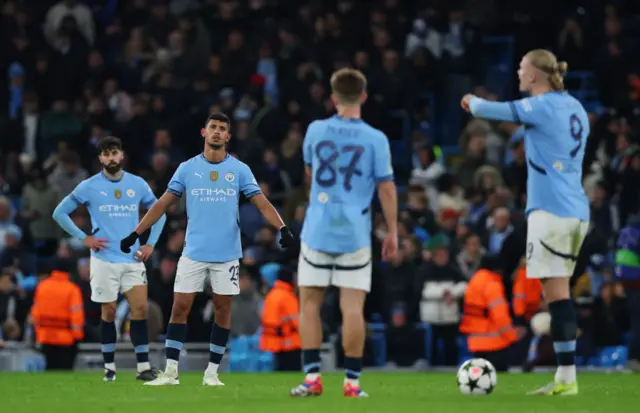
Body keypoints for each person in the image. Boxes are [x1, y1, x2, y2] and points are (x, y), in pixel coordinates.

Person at [121, 112, 294, 386]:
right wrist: (136, 232)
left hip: (227, 254)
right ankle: (171, 372)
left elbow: (261, 202)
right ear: (204, 132)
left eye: (222, 128)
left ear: (228, 137)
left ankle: (212, 373)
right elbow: (162, 203)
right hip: (193, 253)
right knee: (180, 308)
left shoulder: (239, 169)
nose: (216, 132)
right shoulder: (187, 168)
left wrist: (282, 227)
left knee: (223, 310)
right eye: (212, 127)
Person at [461, 49, 590, 395]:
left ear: (534, 74)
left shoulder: (543, 105)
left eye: (521, 68)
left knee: (557, 296)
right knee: (558, 293)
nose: (518, 74)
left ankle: (567, 379)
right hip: (577, 210)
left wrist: (473, 102)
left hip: (551, 210)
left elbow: (497, 111)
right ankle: (565, 378)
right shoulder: (575, 106)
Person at [291, 68, 398, 398]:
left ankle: (312, 380)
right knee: (353, 308)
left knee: (309, 305)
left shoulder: (315, 130)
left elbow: (309, 175)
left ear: (333, 98)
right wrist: (392, 231)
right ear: (363, 96)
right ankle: (352, 383)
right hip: (355, 232)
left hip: (318, 229)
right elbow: (386, 188)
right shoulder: (375, 138)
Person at [52, 136, 167, 381]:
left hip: (132, 258)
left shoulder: (137, 184)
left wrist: (150, 243)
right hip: (103, 259)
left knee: (139, 310)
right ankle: (109, 368)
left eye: (114, 153)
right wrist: (83, 237)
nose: (111, 158)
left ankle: (143, 368)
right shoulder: (89, 186)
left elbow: (160, 213)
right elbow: (59, 213)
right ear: (100, 158)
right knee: (109, 312)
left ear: (121, 155)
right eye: (106, 154)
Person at [460, 255, 519, 372]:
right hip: (494, 343)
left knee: (481, 381)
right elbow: (500, 316)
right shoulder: (493, 284)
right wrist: (512, 337)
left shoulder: (474, 282)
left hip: (476, 342)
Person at [31, 265, 85, 370]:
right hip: (65, 338)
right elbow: (77, 315)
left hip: (45, 336)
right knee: (64, 371)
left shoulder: (42, 286)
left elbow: (36, 313)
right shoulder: (72, 289)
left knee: (49, 369)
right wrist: (77, 336)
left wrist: (38, 332)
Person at [259, 266, 301, 371]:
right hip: (289, 343)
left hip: (273, 341)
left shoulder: (271, 295)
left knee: (279, 370)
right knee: (292, 372)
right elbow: (297, 322)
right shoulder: (287, 296)